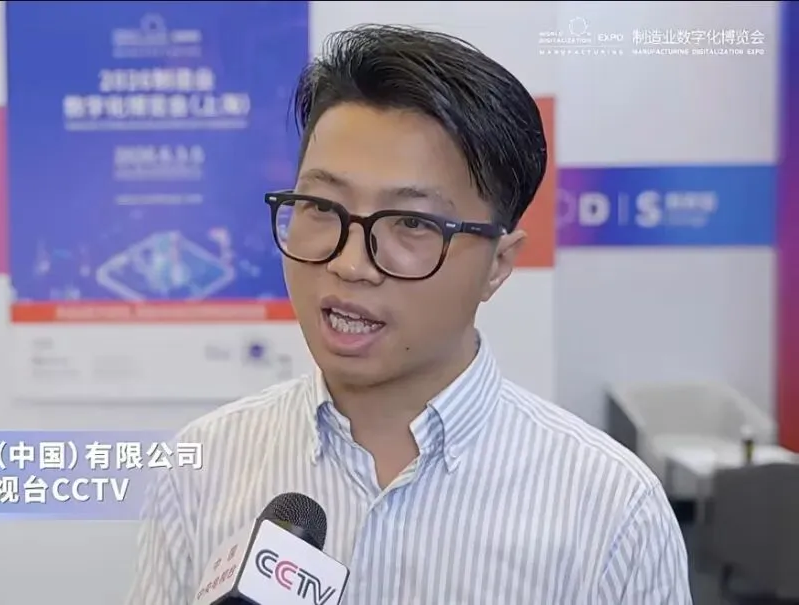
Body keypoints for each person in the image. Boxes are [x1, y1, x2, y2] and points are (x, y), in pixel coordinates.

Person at [125, 24, 692, 604]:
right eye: (321, 207)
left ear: (498, 264)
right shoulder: (202, 469)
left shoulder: (613, 512)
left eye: (412, 223)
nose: (350, 264)